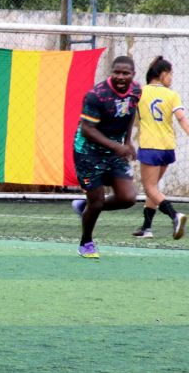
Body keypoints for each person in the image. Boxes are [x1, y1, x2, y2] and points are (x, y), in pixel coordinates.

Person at [71, 56, 141, 259]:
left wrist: (127, 141)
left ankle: (84, 207)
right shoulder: (97, 96)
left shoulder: (136, 91)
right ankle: (86, 242)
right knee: (97, 201)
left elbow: (129, 113)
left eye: (125, 73)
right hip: (87, 152)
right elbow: (86, 130)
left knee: (128, 198)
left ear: (133, 75)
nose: (121, 77)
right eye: (117, 72)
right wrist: (117, 146)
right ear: (111, 73)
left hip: (114, 150)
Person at [132, 56, 188, 239]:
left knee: (149, 189)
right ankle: (146, 228)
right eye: (170, 74)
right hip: (167, 147)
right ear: (162, 74)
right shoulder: (171, 94)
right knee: (154, 188)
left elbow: (131, 118)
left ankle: (175, 215)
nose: (171, 78)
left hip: (150, 147)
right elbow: (181, 118)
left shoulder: (140, 92)